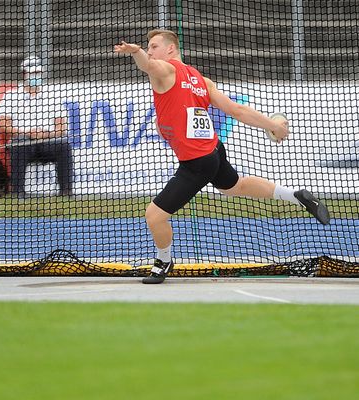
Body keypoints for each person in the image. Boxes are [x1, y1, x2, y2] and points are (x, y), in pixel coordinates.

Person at [114, 29, 330, 284]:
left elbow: (148, 65)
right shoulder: (200, 80)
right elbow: (236, 110)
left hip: (196, 162)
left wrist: (137, 52)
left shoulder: (165, 70)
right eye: (148, 47)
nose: (150, 50)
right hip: (214, 150)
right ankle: (294, 195)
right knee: (234, 186)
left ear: (170, 49)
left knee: (155, 215)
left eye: (153, 46)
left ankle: (163, 261)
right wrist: (271, 125)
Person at [0, 56, 74, 197]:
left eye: (38, 73)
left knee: (64, 145)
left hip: (47, 141)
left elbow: (62, 128)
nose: (36, 76)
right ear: (24, 74)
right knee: (19, 143)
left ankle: (66, 192)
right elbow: (4, 126)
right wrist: (26, 133)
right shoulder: (11, 96)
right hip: (23, 140)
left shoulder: (53, 95)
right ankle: (18, 192)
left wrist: (47, 134)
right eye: (32, 73)